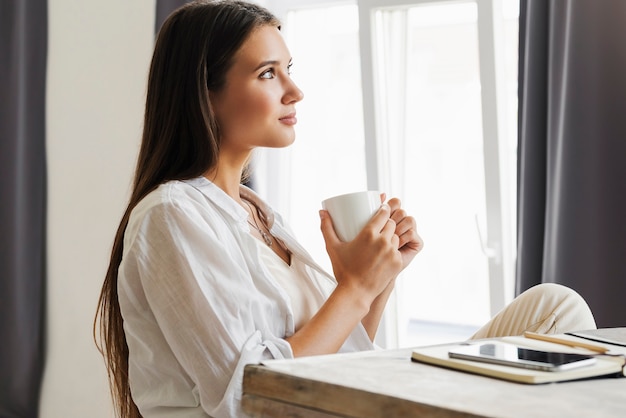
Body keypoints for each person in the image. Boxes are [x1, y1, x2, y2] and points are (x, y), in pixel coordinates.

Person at [94, 1, 596, 417]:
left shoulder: (257, 212)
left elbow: (336, 358)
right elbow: (246, 397)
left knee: (556, 308)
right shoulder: (171, 215)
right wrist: (354, 288)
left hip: (340, 401)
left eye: (289, 70)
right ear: (205, 94)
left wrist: (376, 281)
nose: (294, 91)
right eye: (268, 74)